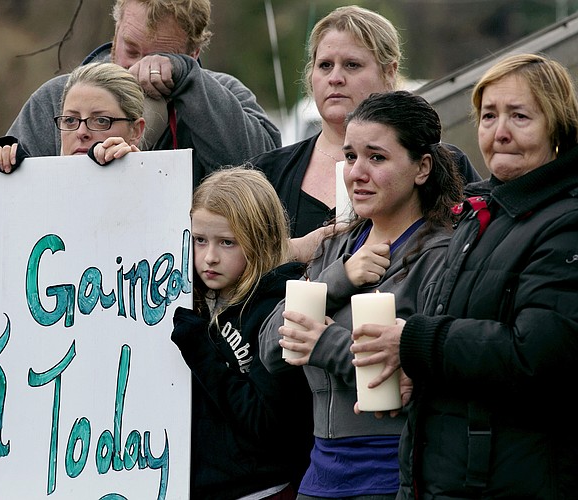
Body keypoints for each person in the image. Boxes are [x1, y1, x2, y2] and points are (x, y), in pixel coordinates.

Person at [350, 53, 578, 499]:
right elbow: (469, 343)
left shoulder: (566, 223)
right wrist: (422, 372)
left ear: (558, 127)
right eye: (489, 115)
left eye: (520, 116)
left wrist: (413, 343)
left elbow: (538, 354)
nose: (501, 132)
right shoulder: (479, 215)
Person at [259, 90, 464, 499]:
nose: (357, 172)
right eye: (350, 156)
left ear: (422, 167)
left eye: (377, 157)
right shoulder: (337, 248)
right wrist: (340, 280)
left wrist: (326, 341)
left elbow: (412, 379)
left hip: (395, 476)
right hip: (319, 478)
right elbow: (270, 348)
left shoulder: (444, 254)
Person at [247, 5, 480, 261]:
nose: (335, 78)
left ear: (390, 72)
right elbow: (227, 264)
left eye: (352, 65)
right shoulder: (269, 172)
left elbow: (476, 247)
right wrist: (295, 250)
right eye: (325, 65)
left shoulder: (440, 162)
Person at [0, 0, 280, 187]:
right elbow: (2, 200)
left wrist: (188, 80)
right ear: (116, 34)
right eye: (131, 50)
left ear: (193, 53)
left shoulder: (225, 94)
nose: (139, 70)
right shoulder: (55, 98)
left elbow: (267, 174)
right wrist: (6, 163)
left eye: (160, 57)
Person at [171, 166, 314, 499]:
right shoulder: (190, 298)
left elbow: (264, 421)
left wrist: (200, 350)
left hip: (262, 489)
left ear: (260, 239)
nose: (209, 258)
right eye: (199, 240)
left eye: (227, 243)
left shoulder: (277, 309)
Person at [0, 62, 145, 168]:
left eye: (101, 121)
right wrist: (1, 172)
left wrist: (136, 173)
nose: (81, 132)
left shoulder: (158, 188)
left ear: (136, 131)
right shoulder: (37, 188)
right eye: (70, 120)